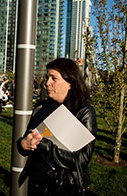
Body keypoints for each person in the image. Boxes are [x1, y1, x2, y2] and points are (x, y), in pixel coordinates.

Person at [17, 58, 97, 195]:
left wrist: (44, 144)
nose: (47, 83)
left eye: (53, 78)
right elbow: (25, 140)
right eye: (47, 77)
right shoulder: (41, 107)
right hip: (36, 185)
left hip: (64, 186)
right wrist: (24, 143)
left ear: (70, 83)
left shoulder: (83, 112)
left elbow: (81, 160)